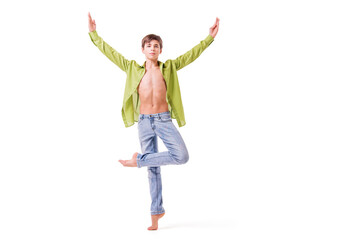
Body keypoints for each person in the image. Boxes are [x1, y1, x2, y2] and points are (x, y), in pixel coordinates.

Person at [88, 12, 219, 230]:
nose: (152, 48)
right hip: (144, 122)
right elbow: (110, 53)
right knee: (154, 169)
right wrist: (94, 34)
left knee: (181, 156)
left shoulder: (169, 68)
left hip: (163, 120)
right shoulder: (132, 68)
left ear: (160, 50)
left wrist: (209, 38)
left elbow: (191, 55)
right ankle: (156, 213)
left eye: (156, 46)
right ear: (143, 49)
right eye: (149, 45)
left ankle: (138, 161)